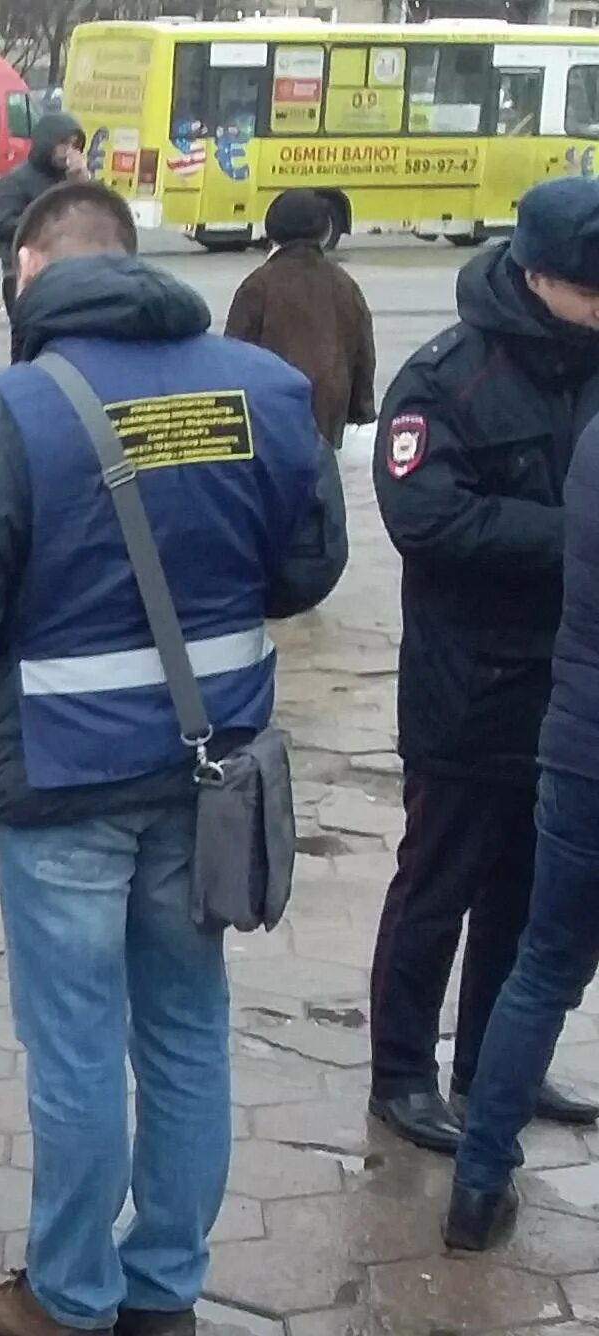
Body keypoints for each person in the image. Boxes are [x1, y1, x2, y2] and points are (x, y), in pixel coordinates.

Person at [0, 183, 346, 1336]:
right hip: (212, 771)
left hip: (63, 780)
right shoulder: (264, 390)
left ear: (27, 269)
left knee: (75, 1037)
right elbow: (308, 571)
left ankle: (69, 1294)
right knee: (184, 1023)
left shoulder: (5, 416)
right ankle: (162, 1286)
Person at [366, 177, 599, 1161]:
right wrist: (574, 534)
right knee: (438, 881)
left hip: (565, 686)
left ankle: (492, 1060)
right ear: (538, 276)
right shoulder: (444, 375)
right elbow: (423, 516)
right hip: (465, 685)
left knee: (521, 887)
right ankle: (400, 1071)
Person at [453, 320, 599, 1252]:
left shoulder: (592, 438)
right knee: (541, 964)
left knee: (539, 965)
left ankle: (476, 1189)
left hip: (579, 744)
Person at [224, 189, 376, 450]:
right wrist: (359, 411)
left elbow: (232, 361)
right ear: (324, 232)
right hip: (327, 427)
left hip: (269, 429)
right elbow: (363, 357)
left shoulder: (257, 285)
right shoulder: (345, 285)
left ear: (271, 231)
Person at [0, 112, 87, 318]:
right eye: (63, 144)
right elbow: (3, 224)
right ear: (47, 143)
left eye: (74, 145)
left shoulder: (71, 180)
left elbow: (94, 218)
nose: (68, 152)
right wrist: (48, 223)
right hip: (25, 275)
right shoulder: (16, 180)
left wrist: (82, 184)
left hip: (67, 272)